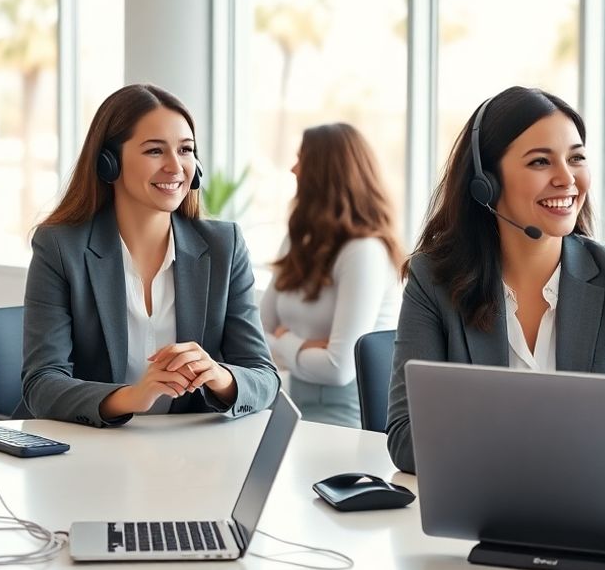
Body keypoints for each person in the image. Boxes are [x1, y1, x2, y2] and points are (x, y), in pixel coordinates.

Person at [386, 86, 605, 473]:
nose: (566, 179)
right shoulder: (433, 281)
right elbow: (406, 440)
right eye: (540, 162)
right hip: (481, 512)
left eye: (577, 158)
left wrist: (492, 434)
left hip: (591, 515)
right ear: (486, 182)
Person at [23, 83, 281, 426]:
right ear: (108, 163)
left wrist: (219, 376)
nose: (176, 167)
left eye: (186, 150)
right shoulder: (60, 247)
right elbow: (42, 385)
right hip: (90, 451)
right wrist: (133, 396)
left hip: (189, 455)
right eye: (155, 151)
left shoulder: (224, 246)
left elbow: (264, 377)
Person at [261, 123, 403, 427]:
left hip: (349, 420)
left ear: (326, 173)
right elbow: (256, 337)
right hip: (293, 411)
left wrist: (286, 341)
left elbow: (339, 369)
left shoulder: (363, 252)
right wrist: (310, 346)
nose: (293, 169)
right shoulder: (298, 241)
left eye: (302, 159)